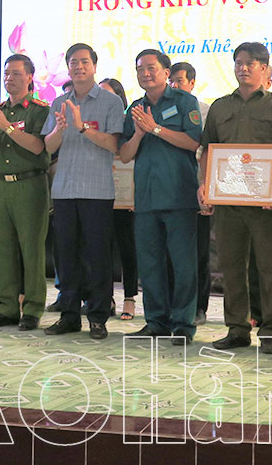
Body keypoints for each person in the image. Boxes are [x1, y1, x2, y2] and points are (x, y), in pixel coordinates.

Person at [198, 42, 272, 355]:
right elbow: (208, 151)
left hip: (265, 203)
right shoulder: (219, 107)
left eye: (251, 63)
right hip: (227, 201)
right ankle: (237, 328)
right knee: (231, 266)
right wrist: (203, 186)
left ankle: (270, 329)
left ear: (265, 69)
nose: (243, 68)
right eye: (239, 63)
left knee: (271, 267)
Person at [120, 49, 203, 342]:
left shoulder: (184, 102)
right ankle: (156, 321)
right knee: (150, 264)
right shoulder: (134, 108)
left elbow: (194, 141)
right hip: (146, 198)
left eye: (152, 68)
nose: (146, 73)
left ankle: (183, 324)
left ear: (166, 72)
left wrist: (155, 128)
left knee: (182, 265)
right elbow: (125, 154)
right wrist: (140, 133)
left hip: (179, 195)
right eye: (140, 68)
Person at [42, 44, 124, 340]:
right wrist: (60, 130)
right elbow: (48, 149)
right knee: (67, 256)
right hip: (64, 190)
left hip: (97, 191)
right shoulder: (58, 102)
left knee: (98, 256)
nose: (78, 66)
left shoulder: (110, 102)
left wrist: (81, 128)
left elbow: (115, 145)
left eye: (84, 62)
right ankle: (69, 315)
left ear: (94, 66)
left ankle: (98, 316)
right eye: (73, 62)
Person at [0, 54, 50, 331]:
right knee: (1, 248)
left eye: (16, 73)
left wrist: (6, 128)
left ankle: (32, 308)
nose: (9, 78)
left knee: (31, 248)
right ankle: (7, 307)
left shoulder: (39, 110)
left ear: (30, 77)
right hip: (1, 185)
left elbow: (38, 147)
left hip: (29, 183)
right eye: (6, 73)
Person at [170, 61, 211, 325]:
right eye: (171, 81)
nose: (174, 86)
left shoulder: (206, 111)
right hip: (169, 190)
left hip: (198, 190)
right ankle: (174, 305)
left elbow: (210, 152)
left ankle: (199, 307)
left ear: (193, 83)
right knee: (170, 253)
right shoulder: (160, 109)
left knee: (198, 252)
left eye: (180, 81)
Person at [100, 78, 138, 322]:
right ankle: (105, 298)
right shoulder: (93, 122)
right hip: (99, 190)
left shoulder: (129, 122)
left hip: (127, 194)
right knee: (101, 248)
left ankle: (129, 298)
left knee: (127, 247)